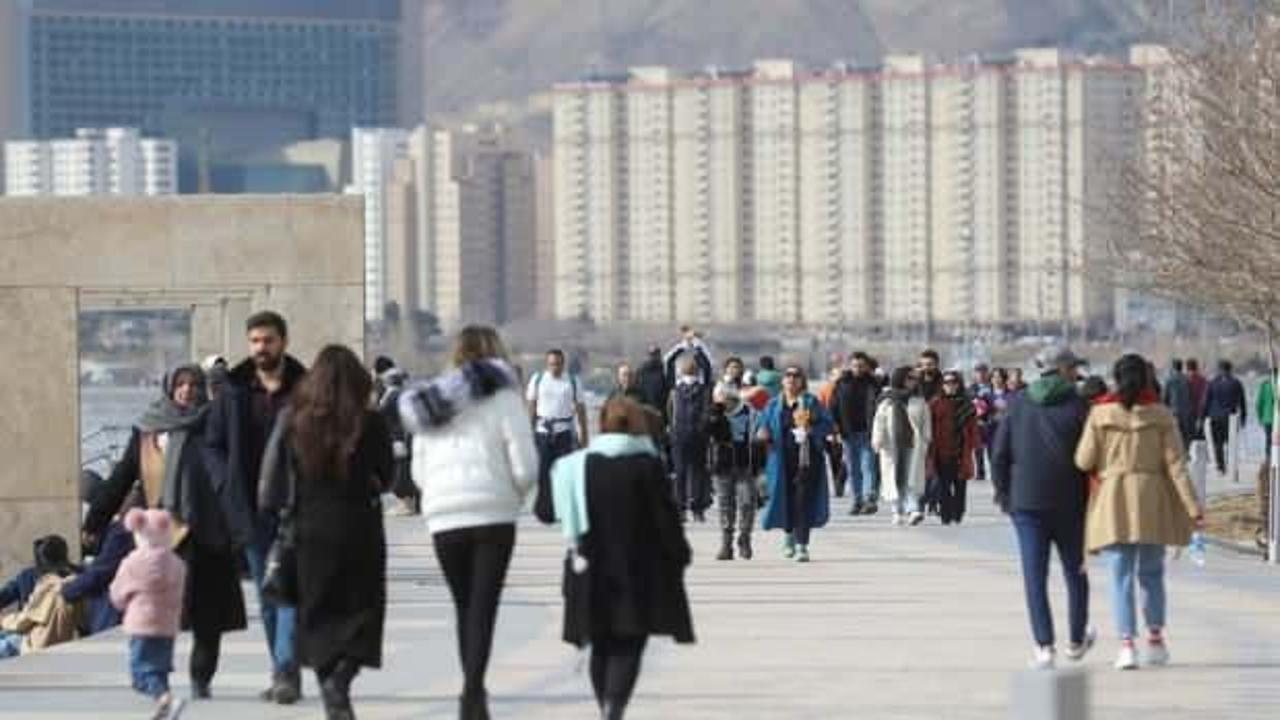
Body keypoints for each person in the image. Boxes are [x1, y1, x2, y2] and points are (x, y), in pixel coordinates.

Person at [400, 326, 538, 720]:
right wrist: (513, 494)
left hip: (445, 518)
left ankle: (472, 686)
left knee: (464, 605)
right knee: (483, 606)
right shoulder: (506, 397)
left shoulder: (430, 400)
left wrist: (438, 497)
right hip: (493, 514)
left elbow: (419, 469)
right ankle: (473, 690)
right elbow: (526, 466)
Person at [89, 363, 248, 701]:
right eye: (181, 384)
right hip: (160, 537)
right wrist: (94, 522)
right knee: (154, 614)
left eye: (193, 384)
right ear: (169, 388)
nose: (187, 390)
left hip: (208, 534)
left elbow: (236, 475)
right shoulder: (148, 431)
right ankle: (152, 675)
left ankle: (200, 679)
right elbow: (122, 478)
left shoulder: (214, 428)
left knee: (208, 618)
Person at [260, 345, 393, 719]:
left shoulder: (294, 419)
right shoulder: (372, 422)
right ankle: (342, 680)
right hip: (359, 528)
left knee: (317, 614)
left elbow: (271, 483)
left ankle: (328, 687)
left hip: (309, 528)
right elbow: (387, 478)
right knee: (363, 610)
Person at [552, 398, 696, 719]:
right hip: (637, 569)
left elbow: (549, 511)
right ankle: (615, 705)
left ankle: (605, 701)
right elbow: (665, 520)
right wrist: (680, 555)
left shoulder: (577, 466)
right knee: (630, 640)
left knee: (600, 641)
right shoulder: (647, 465)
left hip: (589, 565)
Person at [1075, 354, 1203, 671]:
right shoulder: (1161, 415)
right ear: (1147, 380)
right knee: (1152, 573)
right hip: (1152, 499)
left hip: (1113, 498)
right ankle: (1156, 639)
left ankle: (1127, 644)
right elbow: (1177, 466)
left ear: (1116, 379)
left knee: (1119, 577)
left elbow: (1082, 460)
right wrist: (1193, 507)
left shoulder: (1100, 413)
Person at [203, 311, 306, 703]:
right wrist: (222, 482)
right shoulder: (233, 391)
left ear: (283, 341)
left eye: (268, 340)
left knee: (290, 591)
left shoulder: (305, 388)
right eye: (255, 341)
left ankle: (285, 670)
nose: (261, 348)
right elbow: (212, 444)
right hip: (249, 507)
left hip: (296, 506)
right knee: (267, 594)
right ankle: (282, 668)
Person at [991, 345, 1093, 670]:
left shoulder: (1018, 403)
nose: (1077, 373)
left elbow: (999, 455)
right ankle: (1076, 640)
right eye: (1074, 368)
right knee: (1075, 572)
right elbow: (1092, 457)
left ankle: (1044, 645)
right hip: (1071, 503)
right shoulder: (1079, 405)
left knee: (1035, 576)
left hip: (1027, 503)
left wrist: (1005, 496)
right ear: (1063, 369)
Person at [109, 508, 187, 719]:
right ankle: (165, 702)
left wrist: (121, 605)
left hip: (140, 624)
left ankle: (164, 697)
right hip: (167, 625)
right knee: (159, 668)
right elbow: (180, 594)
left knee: (140, 671)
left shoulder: (132, 562)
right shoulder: (177, 564)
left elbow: (117, 592)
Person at [757, 365, 835, 562]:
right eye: (788, 375)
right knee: (785, 499)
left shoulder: (811, 402)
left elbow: (828, 425)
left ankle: (802, 544)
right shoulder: (773, 404)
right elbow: (762, 426)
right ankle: (789, 535)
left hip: (806, 461)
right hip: (780, 461)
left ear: (802, 381)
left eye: (796, 375)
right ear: (783, 380)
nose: (791, 379)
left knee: (802, 501)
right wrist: (762, 434)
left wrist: (811, 430)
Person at [528, 348, 589, 524]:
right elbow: (531, 407)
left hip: (564, 433)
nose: (555, 367)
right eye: (552, 364)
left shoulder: (572, 381)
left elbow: (581, 409)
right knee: (543, 474)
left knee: (564, 474)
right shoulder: (538, 380)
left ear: (563, 363)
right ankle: (544, 510)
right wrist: (528, 433)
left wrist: (584, 435)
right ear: (547, 364)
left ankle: (563, 510)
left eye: (558, 363)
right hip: (543, 432)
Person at [0, 535, 80, 659]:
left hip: (34, 645)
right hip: (53, 640)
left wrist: (3, 621)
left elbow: (23, 621)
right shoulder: (79, 580)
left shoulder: (48, 586)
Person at [872, 368, 932, 526]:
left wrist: (926, 440)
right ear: (900, 379)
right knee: (895, 478)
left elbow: (926, 422)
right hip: (891, 446)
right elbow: (879, 422)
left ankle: (913, 509)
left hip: (913, 444)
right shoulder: (887, 400)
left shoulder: (919, 400)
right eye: (909, 378)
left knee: (910, 477)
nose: (913, 381)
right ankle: (896, 510)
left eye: (914, 378)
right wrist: (877, 441)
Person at [707, 384, 759, 560]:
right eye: (717, 399)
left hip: (745, 464)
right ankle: (726, 544)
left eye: (723, 399)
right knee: (725, 505)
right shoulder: (714, 413)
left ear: (731, 398)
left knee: (747, 502)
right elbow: (704, 431)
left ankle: (744, 537)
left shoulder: (748, 412)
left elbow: (759, 436)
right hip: (722, 465)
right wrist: (714, 414)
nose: (720, 402)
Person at [62, 510, 133, 637]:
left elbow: (99, 574)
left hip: (112, 618)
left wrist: (67, 590)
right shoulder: (117, 532)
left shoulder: (119, 533)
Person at [831, 352, 882, 515]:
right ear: (850, 366)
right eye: (855, 365)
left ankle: (869, 498)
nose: (858, 369)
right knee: (853, 468)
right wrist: (835, 428)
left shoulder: (874, 384)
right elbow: (833, 407)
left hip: (868, 431)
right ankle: (857, 499)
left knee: (868, 466)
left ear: (867, 366)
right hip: (848, 432)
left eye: (861, 366)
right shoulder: (841, 383)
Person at [930, 370, 980, 525]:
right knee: (943, 485)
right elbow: (929, 426)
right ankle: (945, 513)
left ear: (959, 384)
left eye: (953, 382)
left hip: (961, 450)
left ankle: (958, 512)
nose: (950, 386)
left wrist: (974, 444)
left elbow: (973, 427)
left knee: (960, 484)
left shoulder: (966, 404)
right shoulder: (935, 403)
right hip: (940, 450)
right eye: (946, 383)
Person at [375, 359, 421, 517]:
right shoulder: (392, 394)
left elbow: (386, 415)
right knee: (401, 470)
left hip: (398, 437)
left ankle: (407, 504)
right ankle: (408, 503)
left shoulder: (394, 395)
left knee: (402, 472)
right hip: (396, 437)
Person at [669, 356, 712, 522]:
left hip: (696, 436)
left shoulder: (703, 390)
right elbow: (670, 412)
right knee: (683, 472)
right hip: (681, 436)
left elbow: (706, 411)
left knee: (695, 472)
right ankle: (683, 508)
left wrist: (701, 428)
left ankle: (696, 508)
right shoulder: (675, 391)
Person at [1203, 360, 1247, 475]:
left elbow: (1206, 401)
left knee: (1218, 444)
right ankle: (1230, 466)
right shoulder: (1236, 383)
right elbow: (1242, 402)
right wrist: (1243, 418)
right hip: (1230, 418)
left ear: (1219, 369)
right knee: (1231, 443)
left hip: (1215, 417)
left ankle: (1221, 467)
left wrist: (1203, 416)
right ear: (1230, 369)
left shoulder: (1212, 383)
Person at [1161, 359, 1197, 452]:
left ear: (1173, 368)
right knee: (1185, 434)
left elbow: (1165, 397)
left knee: (1174, 434)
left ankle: (1176, 452)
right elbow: (1191, 396)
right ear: (1181, 367)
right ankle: (1186, 452)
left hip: (1174, 411)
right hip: (1186, 411)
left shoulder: (1169, 380)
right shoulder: (1187, 380)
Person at [969, 364, 995, 481]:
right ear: (975, 374)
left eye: (983, 372)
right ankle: (980, 472)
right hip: (977, 423)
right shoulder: (971, 388)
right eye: (978, 372)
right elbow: (968, 405)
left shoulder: (993, 386)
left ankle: (994, 472)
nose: (981, 375)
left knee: (992, 449)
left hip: (991, 422)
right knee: (978, 450)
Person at [634, 346, 671, 421]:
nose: (653, 357)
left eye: (655, 355)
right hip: (646, 409)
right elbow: (638, 389)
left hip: (661, 409)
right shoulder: (641, 370)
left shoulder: (664, 370)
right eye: (652, 355)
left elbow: (668, 390)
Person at [1257, 369, 1276, 464]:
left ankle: (1269, 458)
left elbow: (1258, 403)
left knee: (1269, 439)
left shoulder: (1265, 385)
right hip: (1274, 418)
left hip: (1267, 417)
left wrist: (1260, 418)